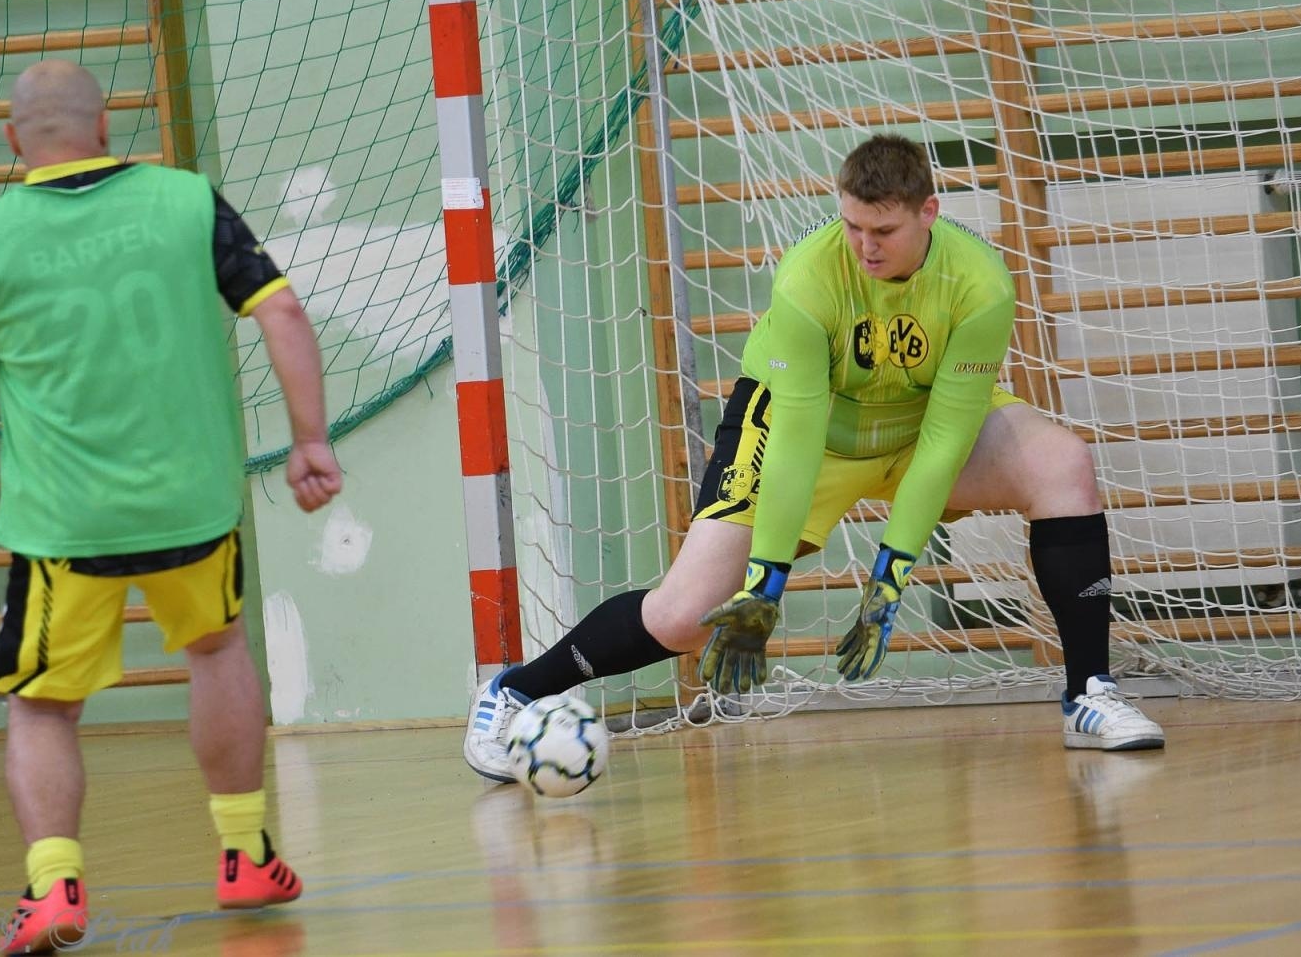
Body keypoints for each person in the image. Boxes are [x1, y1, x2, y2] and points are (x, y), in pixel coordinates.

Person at [463, 132, 1162, 784]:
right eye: (852, 226)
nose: (864, 246)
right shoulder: (809, 277)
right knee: (683, 615)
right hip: (806, 434)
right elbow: (794, 442)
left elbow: (947, 441)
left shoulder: (979, 284)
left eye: (883, 231)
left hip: (917, 426)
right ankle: (515, 690)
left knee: (1060, 463)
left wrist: (889, 581)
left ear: (929, 212)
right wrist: (764, 588)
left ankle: (1089, 693)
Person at [0, 61, 343, 955]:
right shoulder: (188, 201)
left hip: (64, 524)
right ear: (105, 129)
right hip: (190, 505)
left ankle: (55, 885)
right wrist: (311, 440)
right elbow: (286, 313)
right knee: (217, 649)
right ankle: (245, 854)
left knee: (41, 707)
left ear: (12, 142)